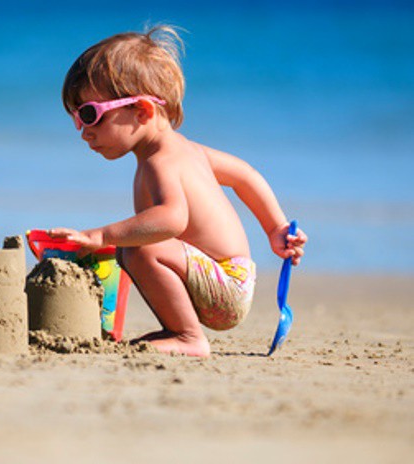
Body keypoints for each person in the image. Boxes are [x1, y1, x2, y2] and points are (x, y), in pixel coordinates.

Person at [49, 26, 308, 357]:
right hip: (225, 276)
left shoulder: (162, 161)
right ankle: (175, 329)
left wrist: (100, 235)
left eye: (91, 114)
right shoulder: (184, 150)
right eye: (77, 119)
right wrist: (275, 227)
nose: (84, 132)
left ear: (142, 110)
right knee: (130, 245)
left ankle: (188, 337)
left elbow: (172, 219)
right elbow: (246, 175)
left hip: (224, 285)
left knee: (138, 248)